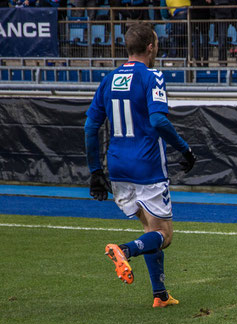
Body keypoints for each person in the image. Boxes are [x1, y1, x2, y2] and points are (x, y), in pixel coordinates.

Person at [84, 22, 197, 308]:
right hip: (147, 166)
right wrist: (185, 149)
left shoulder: (108, 79)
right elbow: (159, 120)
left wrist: (95, 171)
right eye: (156, 43)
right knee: (164, 235)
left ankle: (160, 295)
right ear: (150, 47)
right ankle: (123, 250)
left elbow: (90, 127)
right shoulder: (152, 76)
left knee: (151, 230)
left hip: (118, 167)